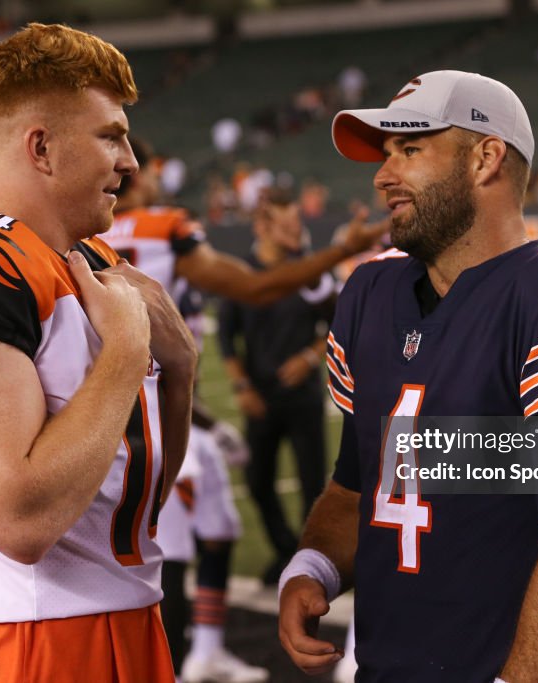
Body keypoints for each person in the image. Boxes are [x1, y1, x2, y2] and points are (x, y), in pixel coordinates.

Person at [277, 70, 538, 682]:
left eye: (410, 150)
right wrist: (315, 565)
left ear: (486, 158)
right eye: (387, 155)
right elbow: (359, 483)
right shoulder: (371, 292)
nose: (383, 177)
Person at [0, 23, 198, 683]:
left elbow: (128, 500)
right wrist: (128, 351)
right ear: (42, 148)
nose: (131, 162)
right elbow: (20, 520)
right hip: (27, 647)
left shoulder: (95, 264)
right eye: (111, 136)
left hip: (131, 629)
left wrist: (182, 371)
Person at [98, 138, 381, 682]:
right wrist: (344, 249)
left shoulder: (82, 234)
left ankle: (204, 649)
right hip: (151, 418)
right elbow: (256, 287)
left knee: (220, 524)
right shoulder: (164, 226)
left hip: (128, 406)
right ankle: (171, 671)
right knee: (169, 552)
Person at [218, 187, 336, 585]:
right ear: (262, 226)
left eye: (297, 223)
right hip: (261, 398)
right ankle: (287, 550)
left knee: (312, 485)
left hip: (303, 397)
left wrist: (307, 358)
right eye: (286, 225)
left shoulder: (310, 272)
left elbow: (336, 326)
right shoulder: (242, 273)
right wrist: (241, 387)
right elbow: (226, 336)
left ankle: (308, 565)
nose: (295, 232)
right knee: (257, 481)